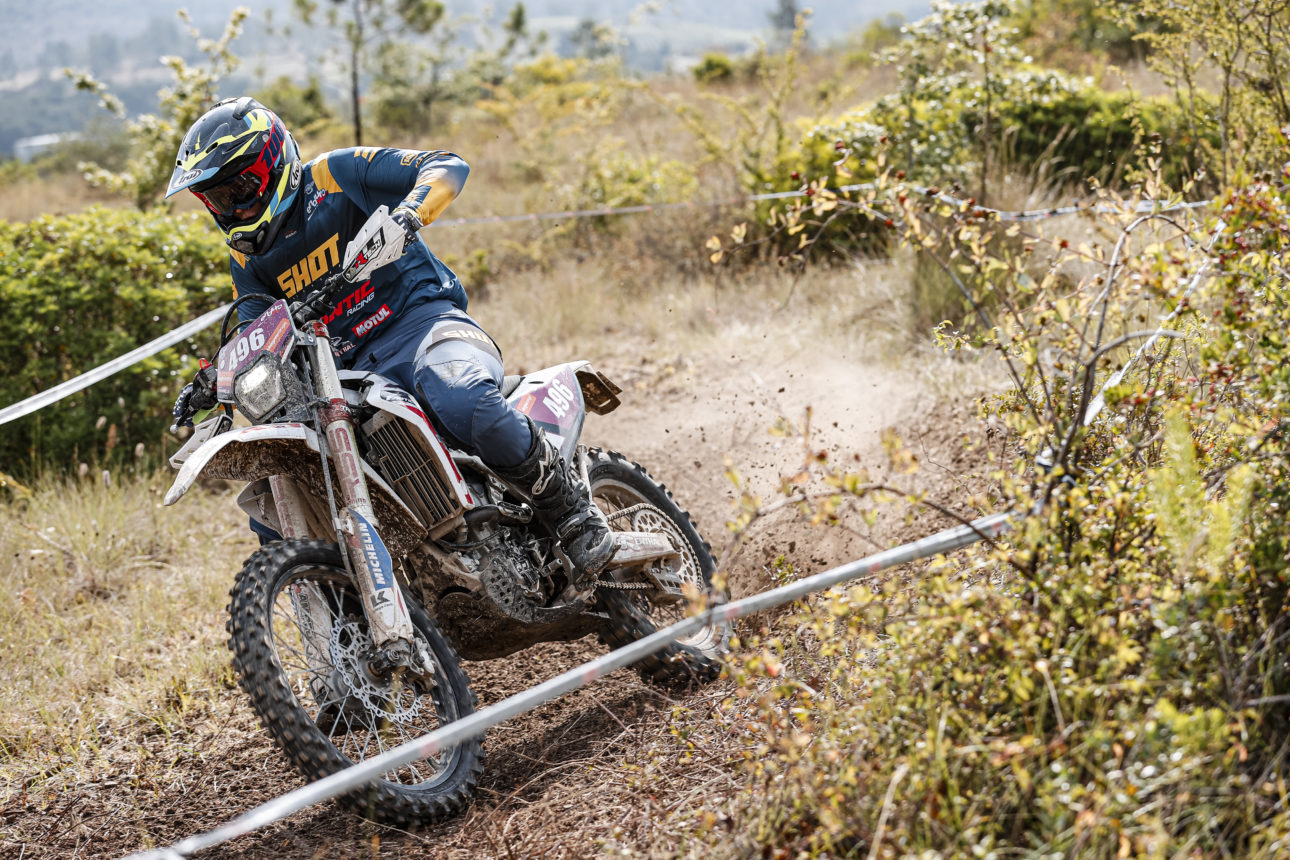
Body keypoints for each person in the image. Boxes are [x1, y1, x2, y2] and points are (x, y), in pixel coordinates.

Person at [168, 96, 614, 584]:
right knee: (281, 486)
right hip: (345, 376)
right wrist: (217, 376)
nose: (232, 206)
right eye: (217, 198)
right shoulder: (247, 260)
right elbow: (256, 332)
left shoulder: (335, 174)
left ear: (273, 163)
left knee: (461, 398)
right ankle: (343, 609)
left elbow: (446, 166)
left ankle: (570, 509)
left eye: (238, 187)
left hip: (423, 325)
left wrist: (408, 214)